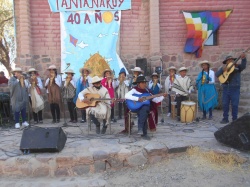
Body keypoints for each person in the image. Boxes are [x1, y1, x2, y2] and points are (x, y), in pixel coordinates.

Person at [125, 76, 166, 140]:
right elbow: (126, 95)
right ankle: (144, 133)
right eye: (142, 83)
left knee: (145, 109)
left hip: (144, 108)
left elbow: (155, 100)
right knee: (144, 110)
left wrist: (163, 96)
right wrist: (137, 98)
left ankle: (141, 129)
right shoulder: (134, 90)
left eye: (145, 83)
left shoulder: (148, 91)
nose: (144, 84)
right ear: (138, 84)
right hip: (135, 106)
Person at [215, 54, 247, 124]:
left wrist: (244, 59)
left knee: (235, 104)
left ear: (233, 61)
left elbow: (243, 66)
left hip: (235, 88)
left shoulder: (237, 67)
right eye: (228, 60)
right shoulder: (223, 68)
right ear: (226, 62)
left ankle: (234, 119)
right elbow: (217, 74)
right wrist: (222, 70)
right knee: (225, 104)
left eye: (231, 60)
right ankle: (225, 118)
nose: (230, 61)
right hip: (226, 88)